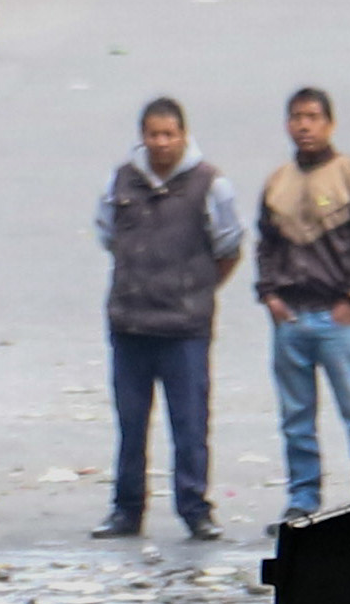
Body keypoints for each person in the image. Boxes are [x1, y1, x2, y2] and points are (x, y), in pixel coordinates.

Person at [94, 96, 247, 540]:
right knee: (130, 423)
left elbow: (229, 247)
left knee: (190, 423)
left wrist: (194, 288)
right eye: (153, 134)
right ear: (142, 137)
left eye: (169, 134)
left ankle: (195, 509)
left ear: (183, 135)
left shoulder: (209, 184)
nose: (161, 143)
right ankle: (126, 510)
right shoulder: (121, 180)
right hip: (130, 324)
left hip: (185, 329)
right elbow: (107, 234)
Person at [255, 84, 350, 520]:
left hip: (336, 315)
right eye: (296, 117)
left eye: (312, 117)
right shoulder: (278, 182)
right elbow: (265, 245)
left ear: (330, 124)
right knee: (296, 420)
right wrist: (270, 297)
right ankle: (303, 499)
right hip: (291, 318)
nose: (304, 126)